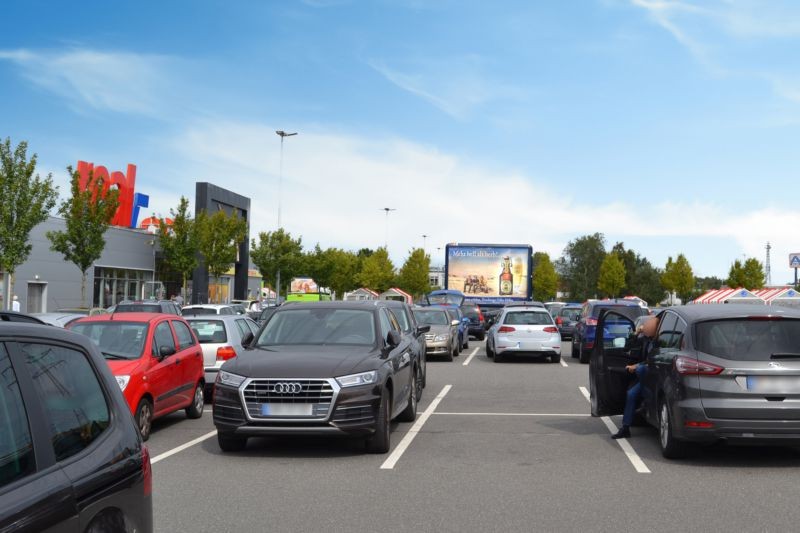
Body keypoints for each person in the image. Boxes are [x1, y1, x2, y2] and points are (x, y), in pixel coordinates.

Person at [612, 315, 658, 439]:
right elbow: (629, 347)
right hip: (645, 376)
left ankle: (646, 401)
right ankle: (625, 428)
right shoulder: (645, 340)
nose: (646, 327)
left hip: (654, 376)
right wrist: (636, 333)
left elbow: (652, 361)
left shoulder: (659, 342)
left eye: (649, 326)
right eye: (645, 326)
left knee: (642, 369)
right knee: (631, 394)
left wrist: (636, 366)